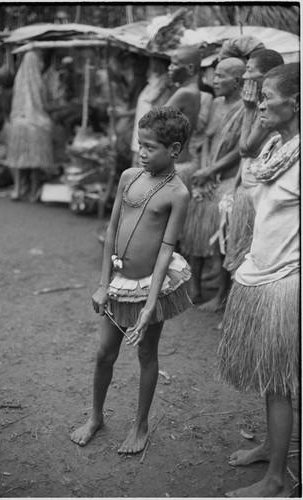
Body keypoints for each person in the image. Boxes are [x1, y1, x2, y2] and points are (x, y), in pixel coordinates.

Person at [71, 107, 192, 454]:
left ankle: (140, 424)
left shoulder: (177, 193)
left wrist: (151, 305)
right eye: (140, 145)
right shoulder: (128, 177)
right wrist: (103, 283)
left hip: (149, 286)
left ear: (174, 149)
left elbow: (167, 248)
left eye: (150, 147)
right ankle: (96, 417)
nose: (141, 152)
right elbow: (110, 231)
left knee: (147, 353)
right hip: (119, 283)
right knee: (104, 353)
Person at [217, 63, 300, 497]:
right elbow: (248, 150)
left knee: (280, 383)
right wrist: (259, 114)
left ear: (297, 102)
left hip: (286, 280)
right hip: (260, 271)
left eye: (269, 95)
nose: (262, 100)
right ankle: (272, 447)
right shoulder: (275, 146)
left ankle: (276, 483)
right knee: (271, 379)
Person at [180, 57, 245, 310]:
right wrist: (205, 171)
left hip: (229, 181)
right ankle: (194, 288)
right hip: (208, 176)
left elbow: (240, 150)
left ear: (237, 81)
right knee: (194, 230)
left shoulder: (246, 108)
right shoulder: (216, 103)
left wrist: (213, 171)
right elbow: (208, 139)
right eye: (214, 76)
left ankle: (221, 295)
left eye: (220, 76)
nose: (214, 81)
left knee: (223, 240)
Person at [224, 49, 284, 275]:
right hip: (248, 185)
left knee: (250, 247)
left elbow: (245, 149)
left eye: (250, 70)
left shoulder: (266, 107)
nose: (245, 76)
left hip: (259, 188)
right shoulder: (264, 103)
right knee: (239, 244)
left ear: (267, 75)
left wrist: (249, 110)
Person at [6, 50, 54, 202]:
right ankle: (33, 193)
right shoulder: (39, 81)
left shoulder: (18, 80)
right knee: (35, 163)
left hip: (19, 123)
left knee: (19, 161)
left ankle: (17, 190)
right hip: (37, 125)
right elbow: (45, 104)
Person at [164, 46, 202, 191]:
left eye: (174, 64)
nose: (170, 68)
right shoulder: (193, 91)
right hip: (180, 158)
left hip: (175, 162)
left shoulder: (185, 92)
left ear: (190, 68)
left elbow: (152, 121)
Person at [131, 57, 175, 168]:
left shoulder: (166, 84)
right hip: (141, 129)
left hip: (151, 132)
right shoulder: (152, 82)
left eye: (154, 62)